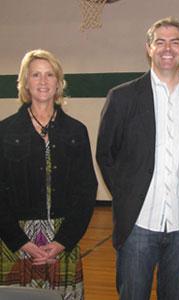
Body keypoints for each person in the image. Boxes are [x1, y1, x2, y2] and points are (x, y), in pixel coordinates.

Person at [96, 17, 179, 300]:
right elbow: (105, 154)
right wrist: (127, 194)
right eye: (160, 42)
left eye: (175, 42)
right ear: (149, 48)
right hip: (138, 226)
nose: (167, 48)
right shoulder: (122, 97)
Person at [0, 49, 98, 299]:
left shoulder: (77, 131)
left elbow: (87, 191)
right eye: (35, 75)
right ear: (25, 82)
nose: (43, 82)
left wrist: (63, 241)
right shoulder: (5, 131)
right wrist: (21, 241)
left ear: (58, 83)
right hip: (15, 240)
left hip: (63, 239)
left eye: (49, 75)